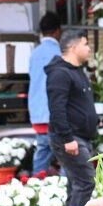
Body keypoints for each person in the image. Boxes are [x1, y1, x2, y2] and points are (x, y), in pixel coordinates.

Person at [44, 29, 98, 206]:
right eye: (86, 44)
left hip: (80, 137)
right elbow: (56, 109)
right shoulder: (60, 73)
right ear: (74, 47)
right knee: (86, 181)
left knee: (76, 183)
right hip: (69, 138)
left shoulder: (76, 71)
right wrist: (67, 138)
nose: (89, 49)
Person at [26, 12, 63, 176]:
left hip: (38, 113)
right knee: (66, 157)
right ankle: (66, 193)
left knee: (41, 156)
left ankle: (36, 188)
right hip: (57, 113)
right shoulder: (61, 53)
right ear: (57, 31)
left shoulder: (34, 54)